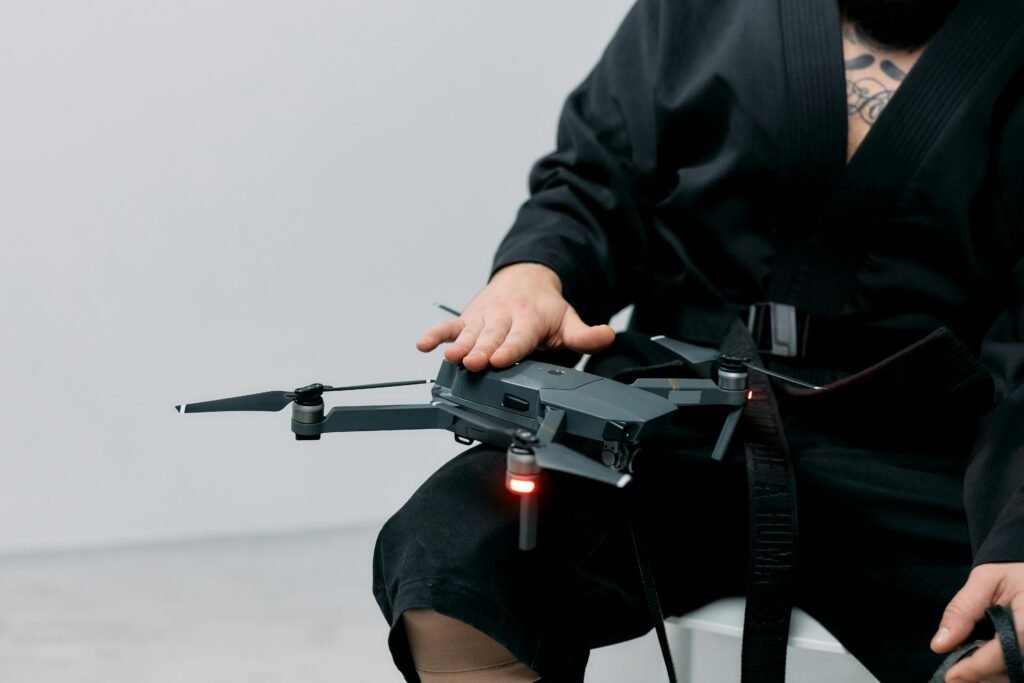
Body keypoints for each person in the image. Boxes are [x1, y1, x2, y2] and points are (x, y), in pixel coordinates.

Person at [373, 0, 1024, 680]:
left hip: (931, 451)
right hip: (678, 408)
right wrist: (535, 272)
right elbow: (597, 180)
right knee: (450, 555)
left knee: (1004, 636)